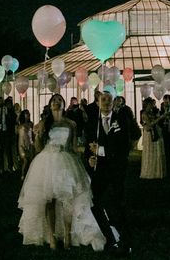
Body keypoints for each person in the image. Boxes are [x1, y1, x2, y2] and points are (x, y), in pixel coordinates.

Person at [18, 94, 105, 251]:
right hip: (47, 160)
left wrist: (82, 160)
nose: (57, 103)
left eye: (59, 101)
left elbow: (72, 147)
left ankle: (67, 235)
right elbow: (38, 148)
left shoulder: (70, 124)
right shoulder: (45, 123)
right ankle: (51, 236)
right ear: (50, 105)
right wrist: (37, 135)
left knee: (67, 200)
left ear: (64, 105)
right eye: (54, 101)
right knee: (49, 200)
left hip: (65, 161)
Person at [84, 91, 133, 254]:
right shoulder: (93, 123)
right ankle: (110, 236)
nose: (106, 102)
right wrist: (90, 159)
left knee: (118, 203)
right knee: (95, 202)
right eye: (102, 99)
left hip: (117, 169)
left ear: (113, 102)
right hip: (100, 171)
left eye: (109, 99)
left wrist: (101, 151)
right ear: (97, 103)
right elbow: (88, 147)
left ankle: (125, 239)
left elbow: (124, 147)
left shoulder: (122, 120)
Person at [139, 98, 167, 179]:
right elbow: (149, 124)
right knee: (150, 151)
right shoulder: (144, 113)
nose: (152, 105)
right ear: (147, 105)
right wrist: (160, 117)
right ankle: (150, 171)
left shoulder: (152, 112)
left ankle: (156, 171)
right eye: (151, 104)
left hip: (156, 131)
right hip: (150, 133)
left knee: (156, 151)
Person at [17, 109, 34, 180]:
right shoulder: (20, 126)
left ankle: (29, 174)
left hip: (30, 143)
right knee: (25, 160)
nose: (28, 115)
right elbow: (20, 136)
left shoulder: (31, 124)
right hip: (22, 144)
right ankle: (22, 175)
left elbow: (32, 134)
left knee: (31, 160)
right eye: (26, 114)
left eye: (28, 114)